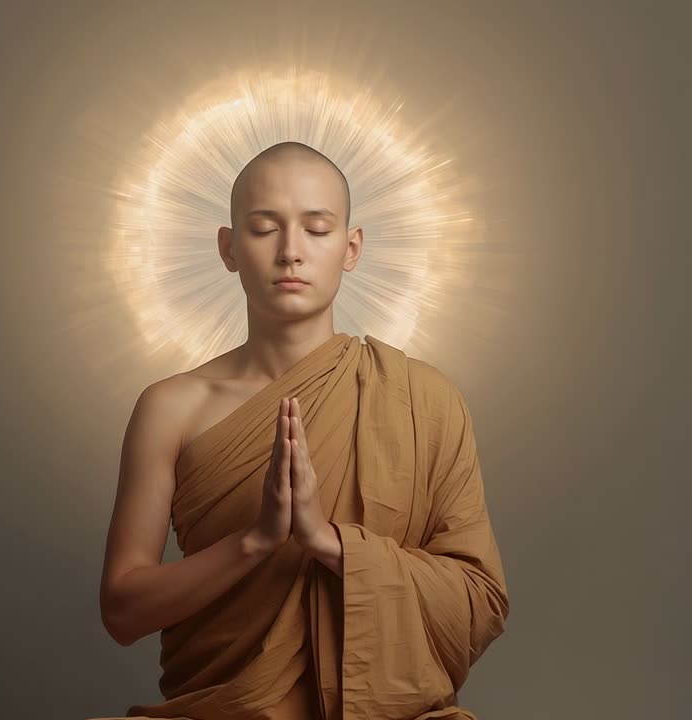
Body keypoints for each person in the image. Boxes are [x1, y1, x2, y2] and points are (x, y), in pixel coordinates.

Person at [92, 142, 508, 720]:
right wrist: (254, 541)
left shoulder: (423, 399)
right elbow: (122, 611)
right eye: (264, 229)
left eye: (316, 229)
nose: (290, 253)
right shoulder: (171, 408)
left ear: (351, 248)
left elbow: (478, 603)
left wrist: (330, 543)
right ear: (229, 248)